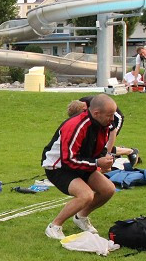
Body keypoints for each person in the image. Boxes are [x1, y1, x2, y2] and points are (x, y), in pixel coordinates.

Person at [41, 94, 118, 239]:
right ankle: (54, 226)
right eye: (109, 115)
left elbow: (99, 147)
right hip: (59, 167)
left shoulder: (103, 125)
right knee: (86, 195)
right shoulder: (76, 126)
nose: (112, 119)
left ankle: (81, 217)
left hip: (81, 164)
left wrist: (104, 159)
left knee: (108, 189)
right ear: (96, 113)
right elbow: (69, 160)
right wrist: (96, 163)